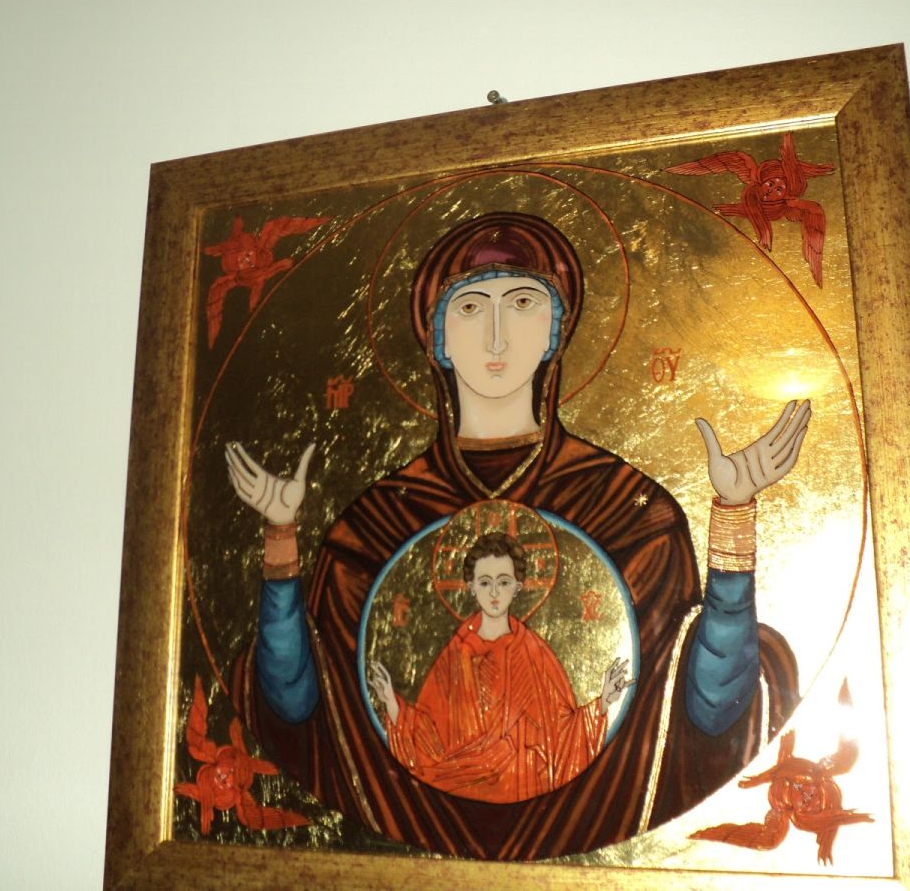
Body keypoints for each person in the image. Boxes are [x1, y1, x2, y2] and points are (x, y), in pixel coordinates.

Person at [224, 212, 807, 859]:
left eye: (524, 303)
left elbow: (710, 710)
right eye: (471, 307)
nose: (497, 334)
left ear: (556, 331)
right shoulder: (374, 526)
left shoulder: (630, 510)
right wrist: (280, 536)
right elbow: (297, 710)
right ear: (438, 338)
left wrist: (733, 514)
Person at [368, 531, 629, 803]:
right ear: (471, 587)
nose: (494, 593)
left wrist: (603, 702)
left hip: (525, 792)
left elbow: (562, 735)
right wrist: (390, 702)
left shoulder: (534, 654)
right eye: (485, 582)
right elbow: (428, 734)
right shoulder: (455, 655)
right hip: (457, 794)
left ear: (517, 586)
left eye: (503, 582)